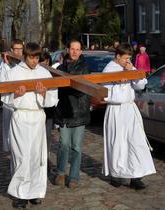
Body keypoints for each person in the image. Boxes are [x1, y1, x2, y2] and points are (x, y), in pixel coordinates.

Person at [2, 42, 58, 209]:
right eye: (31, 58)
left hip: (38, 117)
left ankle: (34, 191)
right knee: (22, 156)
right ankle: (20, 194)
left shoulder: (44, 73)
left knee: (37, 157)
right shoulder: (13, 73)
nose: (34, 61)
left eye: (36, 58)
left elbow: (53, 100)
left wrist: (44, 94)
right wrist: (15, 96)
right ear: (24, 56)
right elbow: (5, 98)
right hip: (21, 117)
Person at [102, 43, 156, 190]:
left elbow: (141, 85)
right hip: (116, 110)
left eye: (129, 58)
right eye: (125, 58)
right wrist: (117, 82)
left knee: (135, 142)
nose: (127, 61)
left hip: (129, 109)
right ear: (118, 56)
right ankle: (116, 174)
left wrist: (131, 70)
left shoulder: (129, 66)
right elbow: (105, 93)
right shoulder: (108, 69)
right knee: (117, 142)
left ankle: (136, 176)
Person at [54, 39, 91, 189]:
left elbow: (84, 89)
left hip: (80, 111)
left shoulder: (85, 68)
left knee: (76, 146)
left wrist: (70, 86)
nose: (75, 52)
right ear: (68, 50)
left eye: (78, 49)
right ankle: (61, 172)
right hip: (64, 110)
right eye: (72, 48)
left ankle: (74, 176)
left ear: (81, 51)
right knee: (63, 144)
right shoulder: (60, 68)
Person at [0, 39, 24, 152]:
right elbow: (0, 80)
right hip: (9, 101)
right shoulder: (5, 64)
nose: (18, 52)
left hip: (22, 101)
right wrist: (7, 65)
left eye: (20, 49)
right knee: (8, 127)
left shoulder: (25, 63)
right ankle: (9, 148)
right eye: (16, 49)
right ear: (12, 50)